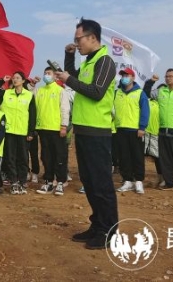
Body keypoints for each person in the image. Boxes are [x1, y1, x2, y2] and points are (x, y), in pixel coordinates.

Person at [54, 17, 118, 250]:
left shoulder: (105, 61)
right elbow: (75, 80)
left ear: (92, 37)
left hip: (97, 132)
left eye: (78, 39)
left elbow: (96, 92)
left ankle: (109, 231)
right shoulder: (90, 62)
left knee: (101, 184)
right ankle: (97, 225)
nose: (77, 42)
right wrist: (69, 56)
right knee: (89, 182)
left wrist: (69, 78)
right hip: (83, 130)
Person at [114, 68, 150, 195]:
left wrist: (142, 127)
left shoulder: (140, 93)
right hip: (120, 129)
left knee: (137, 156)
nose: (124, 77)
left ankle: (138, 181)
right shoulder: (117, 92)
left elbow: (145, 111)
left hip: (135, 130)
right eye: (123, 75)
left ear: (133, 78)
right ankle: (127, 180)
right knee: (123, 156)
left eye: (127, 75)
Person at [35, 66, 70, 196]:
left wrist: (63, 126)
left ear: (55, 76)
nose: (46, 75)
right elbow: (34, 105)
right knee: (46, 156)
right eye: (45, 73)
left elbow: (65, 109)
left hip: (57, 129)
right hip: (43, 128)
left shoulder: (60, 91)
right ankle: (48, 181)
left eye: (49, 73)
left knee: (60, 156)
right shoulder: (40, 91)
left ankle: (60, 182)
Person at [1, 71, 36, 195]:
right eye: (13, 78)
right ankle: (14, 181)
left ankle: (22, 181)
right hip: (9, 131)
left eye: (18, 78)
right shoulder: (6, 93)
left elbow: (32, 115)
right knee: (10, 158)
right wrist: (2, 81)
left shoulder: (29, 95)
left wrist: (31, 132)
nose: (15, 80)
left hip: (23, 132)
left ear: (23, 81)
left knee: (23, 158)